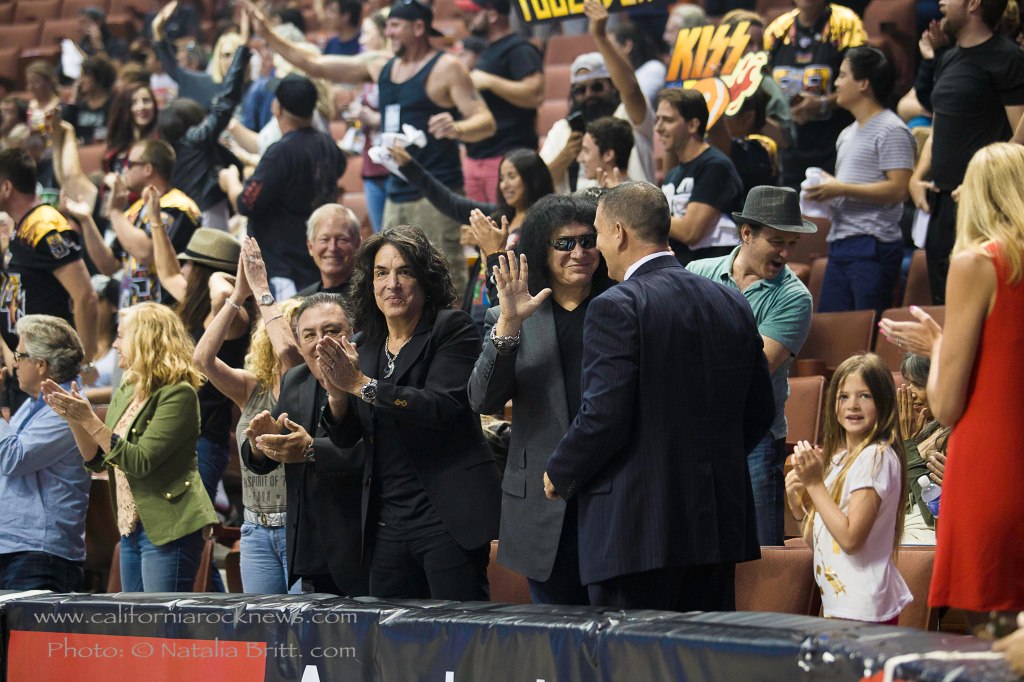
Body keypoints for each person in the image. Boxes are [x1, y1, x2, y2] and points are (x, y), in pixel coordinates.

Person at [543, 182, 774, 611]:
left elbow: (604, 417)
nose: (597, 249)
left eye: (597, 235)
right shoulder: (730, 300)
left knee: (633, 668)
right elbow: (760, 409)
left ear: (620, 232)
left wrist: (561, 469)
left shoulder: (616, 305)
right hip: (715, 527)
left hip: (637, 534)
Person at [245, 0, 496, 295]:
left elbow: (486, 121)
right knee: (394, 279)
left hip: (436, 194)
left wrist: (458, 128)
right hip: (395, 192)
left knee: (443, 279)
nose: (387, 31)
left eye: (394, 25)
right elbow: (314, 64)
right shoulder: (381, 65)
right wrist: (269, 35)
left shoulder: (446, 68)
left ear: (418, 28)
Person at [880, 141, 1024, 623]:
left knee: (992, 626)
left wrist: (937, 348)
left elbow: (945, 404)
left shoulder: (977, 262)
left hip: (992, 459)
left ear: (983, 194)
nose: (956, 195)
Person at [317, 225, 501, 601]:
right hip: (387, 523)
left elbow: (440, 406)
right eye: (382, 273)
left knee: (458, 637)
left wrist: (360, 386)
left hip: (446, 520)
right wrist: (337, 395)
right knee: (394, 646)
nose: (392, 284)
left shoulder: (451, 329)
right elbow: (347, 435)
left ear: (425, 279)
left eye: (405, 272)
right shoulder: (365, 344)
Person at [468, 194, 611, 605]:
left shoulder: (620, 304)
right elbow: (482, 399)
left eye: (588, 241)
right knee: (556, 646)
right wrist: (510, 324)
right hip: (540, 502)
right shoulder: (510, 313)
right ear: (541, 251)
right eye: (564, 244)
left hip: (610, 494)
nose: (579, 253)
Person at [42, 302, 217, 592]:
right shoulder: (127, 388)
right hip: (131, 529)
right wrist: (74, 419)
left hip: (170, 526)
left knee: (163, 627)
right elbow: (98, 459)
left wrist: (90, 419)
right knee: (136, 623)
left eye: (122, 335)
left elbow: (140, 462)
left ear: (145, 340)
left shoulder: (179, 394)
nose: (114, 344)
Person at [687, 185, 815, 547]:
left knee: (763, 549)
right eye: (777, 241)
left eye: (792, 243)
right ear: (747, 234)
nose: (786, 253)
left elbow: (754, 370)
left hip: (755, 437)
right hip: (697, 433)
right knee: (700, 543)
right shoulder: (697, 271)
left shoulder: (794, 297)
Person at [240, 292, 368, 596]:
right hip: (310, 546)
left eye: (332, 331)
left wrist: (312, 450)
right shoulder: (295, 379)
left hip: (363, 545)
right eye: (308, 334)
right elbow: (273, 455)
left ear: (353, 334)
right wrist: (262, 443)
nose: (320, 342)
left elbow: (373, 452)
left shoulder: (370, 379)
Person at [194, 239, 304, 593]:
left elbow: (289, 353)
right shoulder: (250, 387)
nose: (281, 336)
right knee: (266, 631)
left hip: (298, 526)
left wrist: (261, 291)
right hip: (255, 528)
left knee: (305, 628)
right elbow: (203, 360)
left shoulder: (305, 380)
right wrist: (236, 297)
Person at [786, 353, 913, 624]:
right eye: (844, 396)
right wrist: (798, 508)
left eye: (864, 396)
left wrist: (814, 484)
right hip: (841, 604)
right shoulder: (839, 460)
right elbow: (824, 542)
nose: (852, 405)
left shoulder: (876, 457)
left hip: (865, 609)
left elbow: (851, 539)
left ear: (883, 400)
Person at [911, 0, 1024, 304]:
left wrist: (982, 182)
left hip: (985, 207)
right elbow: (940, 127)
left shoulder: (1007, 58)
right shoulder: (947, 58)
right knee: (943, 302)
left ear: (974, 4)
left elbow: (1020, 140)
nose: (941, 3)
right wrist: (917, 176)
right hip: (942, 204)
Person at [804, 46, 915, 314]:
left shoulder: (892, 129)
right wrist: (828, 189)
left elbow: (899, 189)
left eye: (843, 76)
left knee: (865, 330)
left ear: (864, 83)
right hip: (840, 240)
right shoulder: (846, 133)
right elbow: (853, 186)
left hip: (872, 243)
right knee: (836, 326)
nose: (837, 83)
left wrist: (839, 187)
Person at [389, 145, 554, 316]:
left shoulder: (545, 224)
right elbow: (450, 202)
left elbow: (533, 270)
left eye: (512, 177)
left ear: (533, 179)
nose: (504, 185)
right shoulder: (496, 216)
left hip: (510, 314)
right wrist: (410, 168)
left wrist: (488, 245)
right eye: (502, 178)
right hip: (477, 310)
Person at [223, 73, 347, 298]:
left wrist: (230, 181)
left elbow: (246, 203)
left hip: (283, 268)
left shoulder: (281, 152)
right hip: (313, 263)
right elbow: (340, 166)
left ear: (277, 108)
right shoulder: (327, 144)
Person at [0, 316, 90, 592]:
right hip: (16, 547)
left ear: (41, 364)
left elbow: (12, 458)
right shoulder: (32, 406)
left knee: (25, 637)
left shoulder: (68, 408)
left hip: (39, 554)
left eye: (20, 355)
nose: (14, 363)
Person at [540, 0, 656, 195]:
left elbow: (632, 90)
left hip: (634, 215)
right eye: (580, 90)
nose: (588, 95)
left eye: (596, 86)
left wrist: (600, 37)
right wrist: (566, 155)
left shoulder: (628, 118)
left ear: (613, 87)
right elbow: (538, 185)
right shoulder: (563, 131)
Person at [0, 148, 98, 364]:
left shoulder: (44, 226)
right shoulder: (22, 226)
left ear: (7, 187)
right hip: (28, 363)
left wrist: (85, 364)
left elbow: (86, 296)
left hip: (51, 364)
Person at [158, 13, 251, 231]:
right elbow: (226, 103)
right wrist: (243, 49)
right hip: (206, 214)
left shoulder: (170, 145)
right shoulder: (196, 139)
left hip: (182, 213)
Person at [83, 140, 201, 310]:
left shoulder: (179, 207)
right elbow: (108, 265)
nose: (124, 170)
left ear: (148, 168)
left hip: (164, 318)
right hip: (133, 317)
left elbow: (146, 252)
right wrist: (86, 220)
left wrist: (115, 212)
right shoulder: (135, 210)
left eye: (129, 164)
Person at [764, 0, 867, 189]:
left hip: (833, 144)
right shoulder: (777, 30)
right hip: (788, 148)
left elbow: (862, 82)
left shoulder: (845, 23)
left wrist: (822, 103)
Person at [456, 0, 544, 203]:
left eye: (474, 13)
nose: (467, 18)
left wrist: (490, 82)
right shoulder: (487, 49)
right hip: (476, 156)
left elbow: (535, 94)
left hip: (506, 156)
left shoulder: (518, 47)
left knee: (509, 225)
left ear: (493, 15)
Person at [657, 88, 745, 266]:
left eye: (667, 120)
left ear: (693, 125)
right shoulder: (673, 174)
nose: (658, 128)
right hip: (680, 270)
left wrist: (645, 215)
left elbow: (690, 232)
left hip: (711, 275)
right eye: (657, 119)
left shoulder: (715, 166)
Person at [896, 352, 949, 545]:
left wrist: (908, 442)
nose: (910, 392)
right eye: (908, 383)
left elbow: (931, 515)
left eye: (918, 384)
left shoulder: (955, 437)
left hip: (925, 537)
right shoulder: (930, 428)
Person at [296, 204, 361, 298]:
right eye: (324, 239)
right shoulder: (298, 304)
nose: (332, 248)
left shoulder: (372, 297)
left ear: (357, 244)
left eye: (342, 239)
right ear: (310, 246)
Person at [103, 83, 157, 176]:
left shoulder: (161, 140)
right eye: (134, 103)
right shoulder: (117, 145)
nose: (142, 107)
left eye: (146, 101)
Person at [63, 56, 117, 145]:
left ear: (98, 77)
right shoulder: (78, 107)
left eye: (85, 76)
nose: (80, 81)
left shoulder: (114, 105)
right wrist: (74, 99)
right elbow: (66, 129)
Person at [578, 116, 634, 187]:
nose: (579, 159)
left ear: (608, 155)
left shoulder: (637, 196)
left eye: (586, 151)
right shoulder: (592, 188)